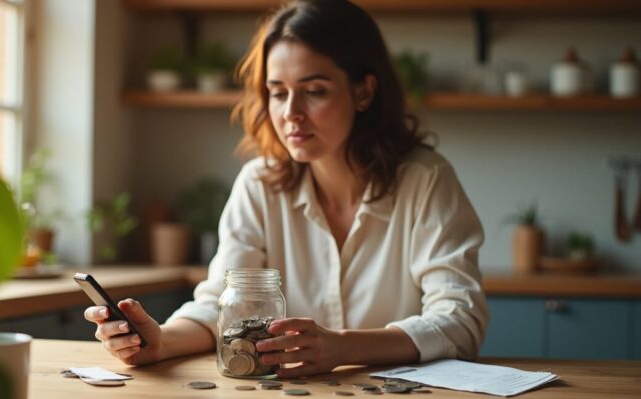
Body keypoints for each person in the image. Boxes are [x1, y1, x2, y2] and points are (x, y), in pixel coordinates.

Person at [84, 0, 487, 378]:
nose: (291, 112)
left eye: (314, 91)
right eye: (278, 92)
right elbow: (219, 304)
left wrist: (342, 348)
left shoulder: (426, 180)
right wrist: (160, 342)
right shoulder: (259, 184)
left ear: (364, 92)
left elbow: (459, 320)